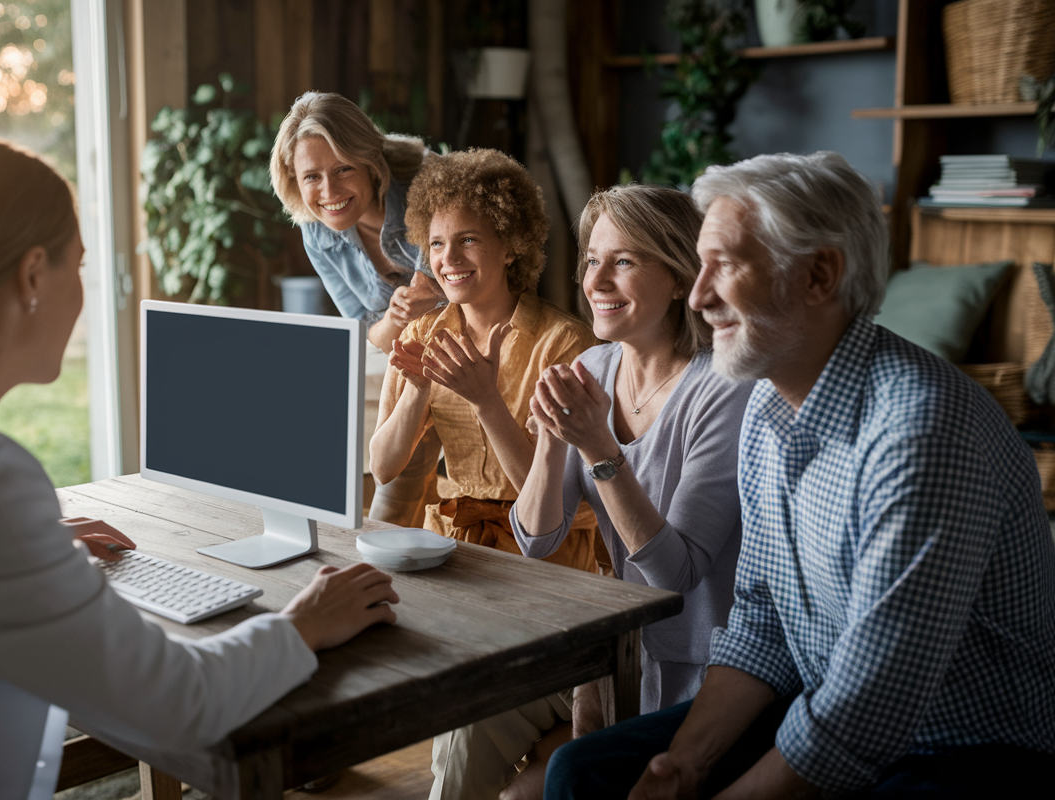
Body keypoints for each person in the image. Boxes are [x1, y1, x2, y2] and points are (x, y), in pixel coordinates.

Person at [0, 134, 400, 800]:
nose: (83, 292)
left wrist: (22, 549)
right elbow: (180, 703)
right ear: (32, 275)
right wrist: (305, 622)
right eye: (79, 265)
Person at [545, 152, 1055, 800]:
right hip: (820, 704)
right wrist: (682, 768)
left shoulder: (922, 430)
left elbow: (867, 709)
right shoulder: (766, 402)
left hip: (967, 748)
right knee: (581, 771)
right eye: (699, 268)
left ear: (819, 275)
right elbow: (761, 622)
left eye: (725, 266)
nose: (699, 297)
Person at [429, 185, 752, 800]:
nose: (596, 280)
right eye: (591, 261)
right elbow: (538, 537)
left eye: (624, 262)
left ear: (682, 278)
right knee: (474, 709)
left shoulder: (721, 391)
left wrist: (599, 448)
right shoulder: (596, 368)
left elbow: (672, 575)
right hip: (614, 647)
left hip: (698, 666)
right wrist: (553, 439)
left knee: (541, 785)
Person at [369, 148, 598, 570]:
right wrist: (417, 391)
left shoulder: (564, 344)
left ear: (511, 246)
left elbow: (551, 496)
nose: (449, 259)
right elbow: (382, 467)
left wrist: (485, 400)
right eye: (437, 243)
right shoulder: (422, 333)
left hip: (546, 555)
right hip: (452, 546)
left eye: (468, 240)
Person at [271, 91, 444, 528]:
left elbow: (468, 280)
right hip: (405, 347)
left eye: (343, 169)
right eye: (312, 177)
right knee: (386, 494)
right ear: (293, 177)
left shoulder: (429, 183)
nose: (328, 192)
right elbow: (368, 329)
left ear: (371, 161)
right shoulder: (316, 232)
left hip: (468, 333)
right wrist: (397, 316)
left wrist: (425, 299)